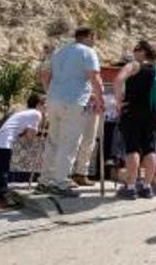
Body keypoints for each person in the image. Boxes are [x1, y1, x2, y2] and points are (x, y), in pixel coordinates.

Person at [37, 27, 104, 198]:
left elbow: (45, 75)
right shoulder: (88, 52)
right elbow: (94, 77)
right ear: (89, 36)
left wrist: (51, 93)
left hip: (53, 100)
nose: (95, 41)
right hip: (74, 101)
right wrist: (100, 99)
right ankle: (61, 182)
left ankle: (45, 180)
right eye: (94, 38)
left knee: (53, 141)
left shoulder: (59, 52)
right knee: (69, 143)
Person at [113, 40, 156, 199]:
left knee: (132, 148)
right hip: (152, 114)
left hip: (132, 112)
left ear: (143, 51)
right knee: (150, 149)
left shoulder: (133, 65)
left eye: (136, 49)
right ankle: (147, 187)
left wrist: (118, 102)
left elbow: (118, 80)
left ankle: (131, 187)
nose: (133, 52)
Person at [0, 93, 45, 209]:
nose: (45, 108)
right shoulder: (36, 114)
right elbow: (30, 136)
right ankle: (0, 200)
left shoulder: (22, 113)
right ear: (39, 104)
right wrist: (38, 132)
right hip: (3, 145)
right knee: (1, 173)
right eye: (44, 105)